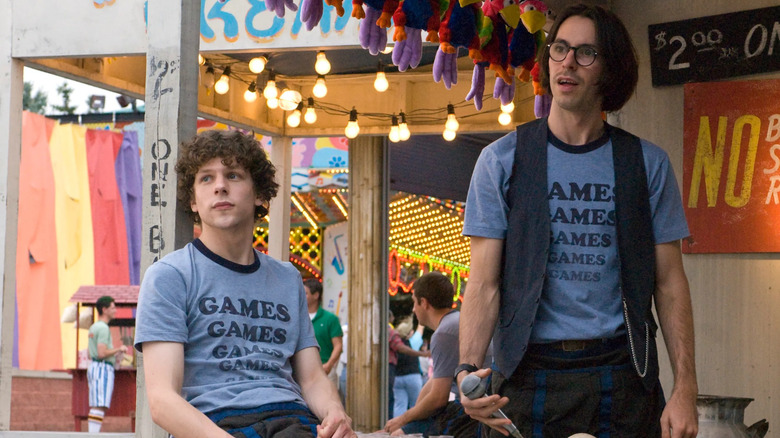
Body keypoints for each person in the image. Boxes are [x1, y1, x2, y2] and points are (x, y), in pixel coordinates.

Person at [456, 4, 698, 438]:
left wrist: (685, 388)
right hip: (526, 377)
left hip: (623, 373)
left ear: (610, 69)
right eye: (560, 49)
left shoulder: (646, 164)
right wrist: (467, 370)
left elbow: (669, 282)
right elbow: (483, 283)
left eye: (586, 53)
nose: (567, 62)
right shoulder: (500, 161)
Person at [134, 130, 355, 438]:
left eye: (234, 175)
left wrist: (334, 412)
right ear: (193, 201)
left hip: (291, 418)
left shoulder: (287, 277)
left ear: (260, 194)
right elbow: (162, 400)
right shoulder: (170, 276)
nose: (220, 186)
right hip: (214, 424)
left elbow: (312, 379)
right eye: (206, 179)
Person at [384, 272, 488, 437]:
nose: (413, 309)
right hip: (479, 406)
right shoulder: (454, 321)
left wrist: (403, 419)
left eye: (414, 303)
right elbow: (434, 382)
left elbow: (438, 398)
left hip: (474, 412)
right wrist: (411, 417)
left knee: (398, 434)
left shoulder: (444, 333)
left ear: (424, 303)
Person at [87, 295, 128, 433]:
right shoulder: (103, 328)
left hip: (94, 366)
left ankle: (93, 433)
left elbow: (90, 352)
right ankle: (93, 434)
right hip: (102, 367)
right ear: (104, 309)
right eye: (112, 307)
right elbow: (101, 352)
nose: (115, 310)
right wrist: (119, 349)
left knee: (96, 403)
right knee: (99, 404)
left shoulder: (94, 327)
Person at [303, 278, 344, 389]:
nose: (301, 296)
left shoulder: (330, 319)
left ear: (316, 295)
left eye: (305, 293)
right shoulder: (298, 318)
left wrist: (329, 365)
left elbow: (338, 345)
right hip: (302, 372)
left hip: (325, 371)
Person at [391, 316, 424, 418]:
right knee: (415, 404)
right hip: (413, 376)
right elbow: (420, 329)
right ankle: (413, 428)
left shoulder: (396, 344)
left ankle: (397, 427)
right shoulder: (413, 342)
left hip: (398, 377)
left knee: (399, 405)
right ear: (409, 333)